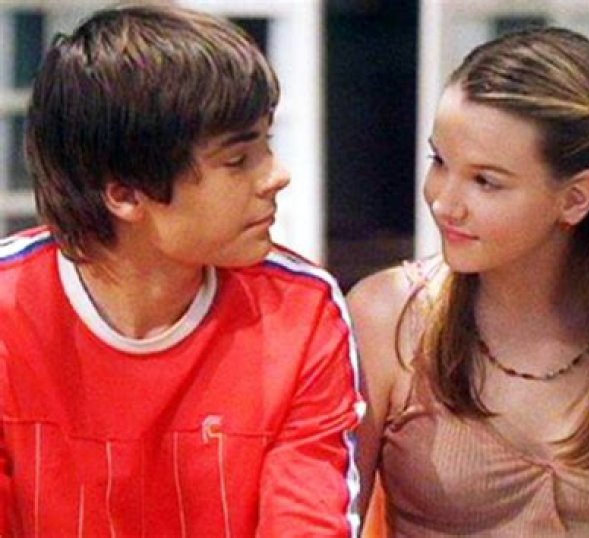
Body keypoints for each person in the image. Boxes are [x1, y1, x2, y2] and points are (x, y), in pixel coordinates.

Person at [0, 5, 363, 536]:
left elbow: (307, 521)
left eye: (267, 144)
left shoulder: (301, 312)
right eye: (237, 161)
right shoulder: (9, 312)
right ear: (126, 194)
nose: (277, 176)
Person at [349, 27, 589, 537]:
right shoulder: (387, 316)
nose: (444, 202)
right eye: (440, 162)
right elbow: (329, 520)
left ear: (576, 198)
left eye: (485, 181)